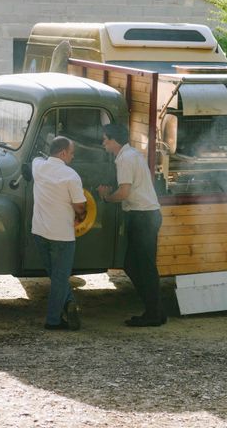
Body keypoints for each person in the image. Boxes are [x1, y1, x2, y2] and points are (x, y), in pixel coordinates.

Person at [97, 123, 166, 327]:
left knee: (141, 267)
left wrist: (106, 198)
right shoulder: (132, 154)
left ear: (113, 141)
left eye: (105, 139)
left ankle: (153, 313)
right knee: (138, 265)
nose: (103, 143)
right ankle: (155, 310)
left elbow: (124, 193)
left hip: (142, 216)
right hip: (146, 215)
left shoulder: (125, 159)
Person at [32, 136, 87, 330]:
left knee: (56, 276)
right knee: (60, 278)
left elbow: (36, 158)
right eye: (71, 153)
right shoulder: (71, 176)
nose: (72, 156)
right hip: (62, 235)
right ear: (63, 153)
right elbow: (80, 207)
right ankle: (53, 320)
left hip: (39, 231)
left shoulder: (37, 166)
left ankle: (69, 302)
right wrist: (80, 219)